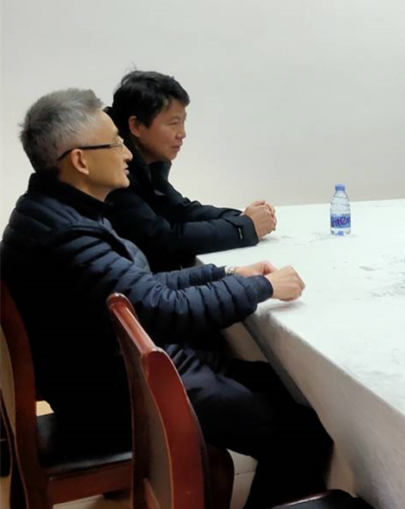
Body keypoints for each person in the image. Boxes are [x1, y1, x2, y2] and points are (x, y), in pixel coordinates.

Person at [1, 89, 329, 508]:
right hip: (118, 395)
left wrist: (229, 273)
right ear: (80, 161)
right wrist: (262, 288)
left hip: (116, 372)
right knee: (301, 433)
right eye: (116, 143)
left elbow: (140, 286)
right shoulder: (67, 234)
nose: (127, 154)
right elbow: (162, 309)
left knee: (276, 384)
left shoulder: (57, 210)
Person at [104, 70, 277, 271]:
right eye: (173, 123)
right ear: (136, 126)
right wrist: (245, 228)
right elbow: (161, 239)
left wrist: (242, 217)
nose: (182, 133)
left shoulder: (148, 161)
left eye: (183, 121)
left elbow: (180, 210)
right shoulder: (112, 171)